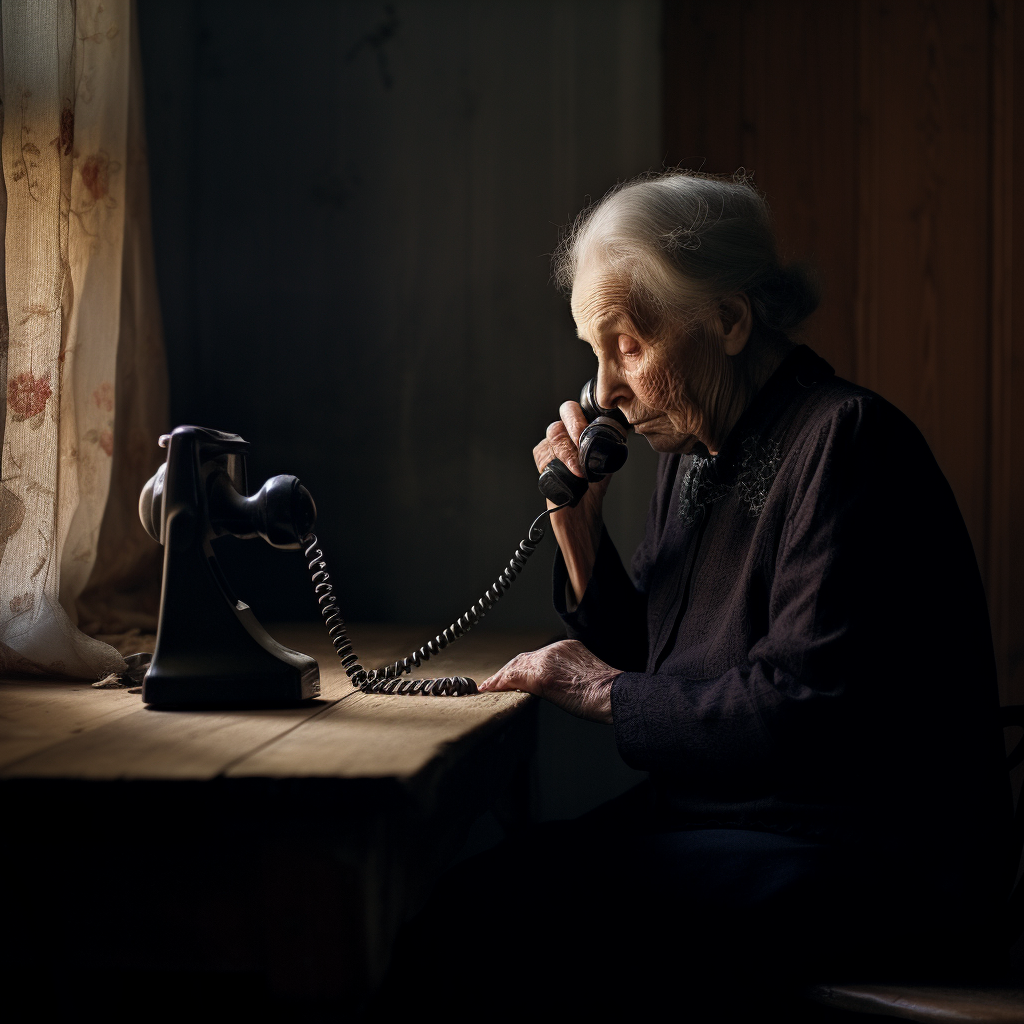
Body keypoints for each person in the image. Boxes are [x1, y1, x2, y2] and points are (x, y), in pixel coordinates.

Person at [370, 171, 1010, 1019]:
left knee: (494, 921)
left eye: (626, 345)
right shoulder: (697, 450)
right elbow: (667, 663)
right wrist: (579, 531)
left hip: (861, 855)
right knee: (470, 892)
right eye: (594, 354)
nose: (602, 390)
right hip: (733, 819)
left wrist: (601, 692)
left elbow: (799, 708)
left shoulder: (845, 443)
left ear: (730, 322)